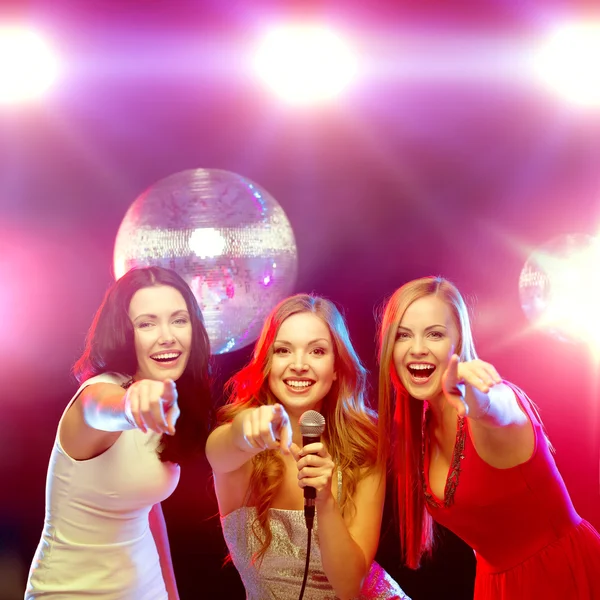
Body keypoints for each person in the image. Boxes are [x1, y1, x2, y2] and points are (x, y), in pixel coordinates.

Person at [377, 275, 600, 599]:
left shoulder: (493, 401)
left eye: (435, 334)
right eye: (403, 336)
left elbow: (497, 408)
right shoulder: (420, 429)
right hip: (495, 588)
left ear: (459, 340)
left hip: (563, 579)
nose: (418, 348)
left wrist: (476, 399)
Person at [25, 266, 212, 599]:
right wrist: (131, 404)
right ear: (125, 332)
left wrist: (171, 592)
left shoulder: (169, 397)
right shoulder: (96, 397)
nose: (167, 335)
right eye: (147, 323)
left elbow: (145, 503)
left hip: (146, 589)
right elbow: (104, 409)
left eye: (179, 320)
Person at [206, 294, 409, 600]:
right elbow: (218, 452)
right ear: (266, 363)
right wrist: (244, 431)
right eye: (284, 350)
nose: (299, 365)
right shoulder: (240, 441)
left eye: (316, 351)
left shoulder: (365, 445)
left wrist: (325, 500)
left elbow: (349, 586)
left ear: (337, 366)